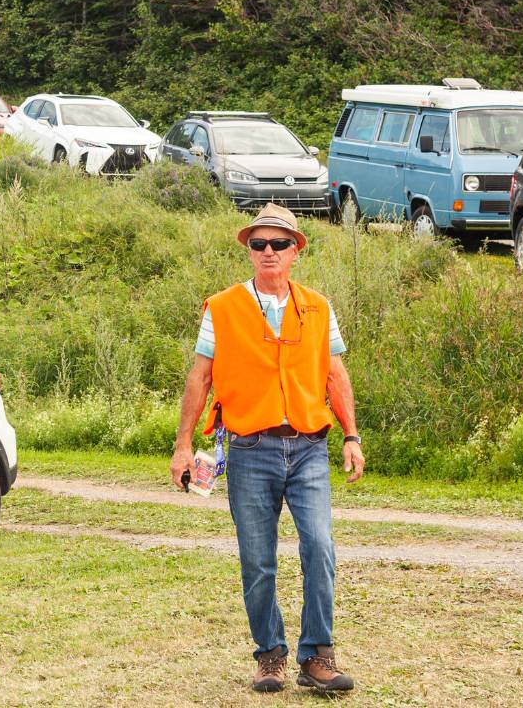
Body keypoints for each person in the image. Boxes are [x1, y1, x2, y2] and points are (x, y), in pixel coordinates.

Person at [170, 203, 362, 694]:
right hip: (250, 449)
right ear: (249, 250)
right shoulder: (223, 307)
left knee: (320, 546)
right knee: (258, 559)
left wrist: (351, 435)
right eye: (259, 244)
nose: (269, 252)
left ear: (297, 249)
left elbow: (335, 374)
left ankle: (318, 656)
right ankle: (270, 655)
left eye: (279, 243)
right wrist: (183, 444)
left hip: (309, 448)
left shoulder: (318, 307)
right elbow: (201, 377)